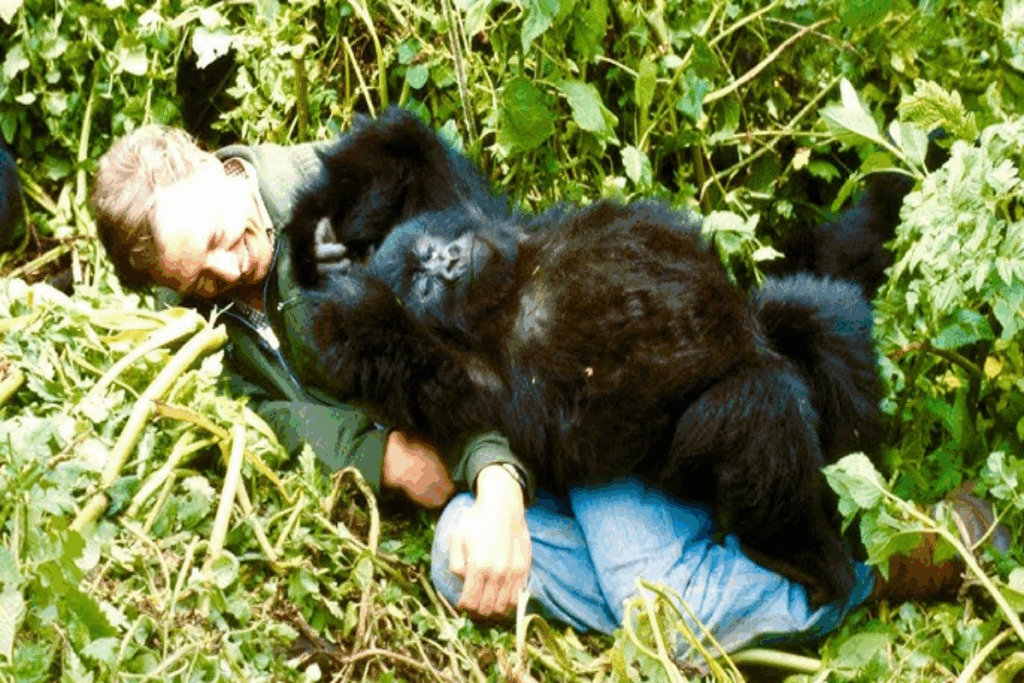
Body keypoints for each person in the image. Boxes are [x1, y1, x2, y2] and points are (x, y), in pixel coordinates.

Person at [90, 122, 1007, 660]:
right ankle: (722, 562)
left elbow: (493, 343)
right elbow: (294, 408)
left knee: (658, 615)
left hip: (589, 413)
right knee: (456, 559)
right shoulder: (213, 316)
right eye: (199, 278)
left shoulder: (355, 202)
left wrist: (497, 484)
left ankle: (870, 569)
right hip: (535, 441)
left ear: (219, 164)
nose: (229, 263)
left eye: (218, 234)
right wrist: (382, 455)